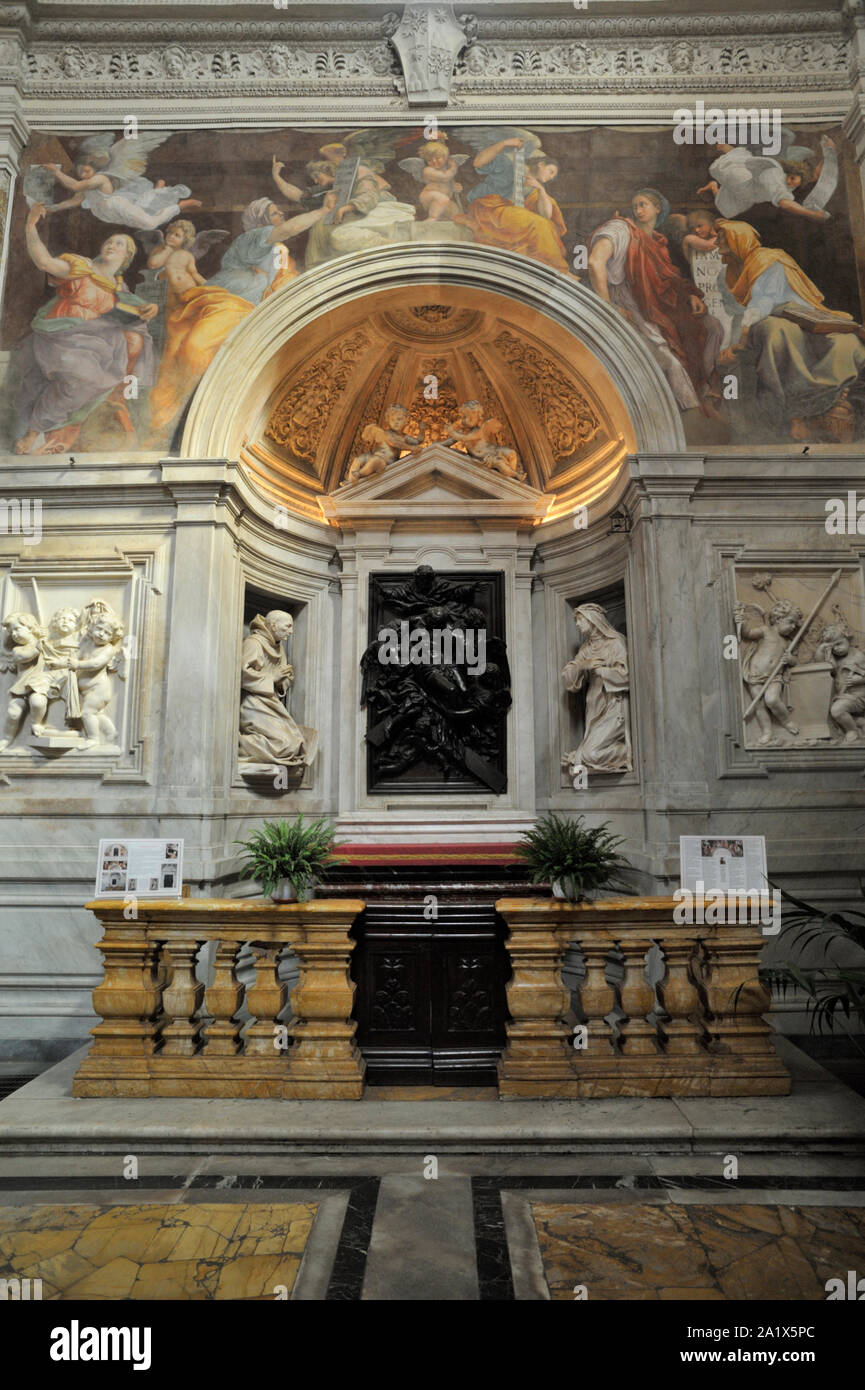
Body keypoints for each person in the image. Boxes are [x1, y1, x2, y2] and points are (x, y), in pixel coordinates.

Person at [13, 205, 158, 455]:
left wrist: (149, 309)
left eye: (119, 244)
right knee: (82, 378)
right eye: (110, 241)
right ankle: (33, 432)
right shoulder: (81, 267)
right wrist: (30, 227)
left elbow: (136, 313)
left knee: (93, 379)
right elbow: (44, 261)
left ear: (127, 258)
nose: (111, 245)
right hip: (61, 336)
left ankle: (46, 428)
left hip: (95, 345)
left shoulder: (119, 289)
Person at [715, 219, 865, 440]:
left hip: (796, 313)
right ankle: (793, 412)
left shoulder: (767, 259)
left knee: (842, 342)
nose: (717, 239)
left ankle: (824, 400)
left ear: (738, 238)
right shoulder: (726, 273)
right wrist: (739, 336)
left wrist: (744, 334)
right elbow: (731, 309)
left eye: (722, 235)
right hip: (767, 319)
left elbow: (765, 300)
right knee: (776, 332)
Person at [589, 188, 724, 419]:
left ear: (657, 208)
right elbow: (594, 262)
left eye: (643, 204)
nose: (638, 210)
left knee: (712, 327)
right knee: (669, 358)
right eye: (635, 206)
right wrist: (607, 308)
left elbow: (668, 279)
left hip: (658, 303)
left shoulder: (658, 242)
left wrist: (690, 295)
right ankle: (692, 413)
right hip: (631, 304)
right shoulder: (622, 229)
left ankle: (705, 393)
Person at [458, 136, 569, 273]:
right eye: (551, 171)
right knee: (538, 224)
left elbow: (546, 215)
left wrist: (541, 190)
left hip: (507, 211)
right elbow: (478, 163)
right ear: (541, 164)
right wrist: (504, 142)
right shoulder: (510, 164)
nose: (551, 177)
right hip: (488, 207)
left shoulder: (533, 185)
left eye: (553, 177)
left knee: (548, 217)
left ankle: (544, 266)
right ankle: (554, 269)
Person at [561, 604, 632, 773]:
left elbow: (626, 675)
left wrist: (602, 671)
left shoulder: (615, 643)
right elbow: (568, 678)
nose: (577, 624)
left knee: (591, 753)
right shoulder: (586, 648)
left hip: (613, 704)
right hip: (594, 703)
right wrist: (582, 666)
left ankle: (626, 752)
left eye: (580, 619)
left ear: (593, 620)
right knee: (592, 749)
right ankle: (583, 756)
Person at [238, 611, 312, 768]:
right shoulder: (254, 643)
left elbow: (280, 682)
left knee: (296, 742)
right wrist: (272, 677)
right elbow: (242, 675)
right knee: (285, 744)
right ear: (273, 625)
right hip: (253, 703)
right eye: (287, 627)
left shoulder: (279, 647)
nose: (291, 632)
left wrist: (284, 679)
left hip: (270, 702)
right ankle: (238, 743)